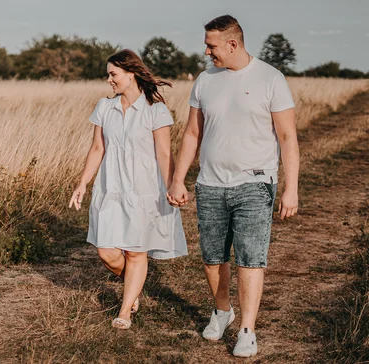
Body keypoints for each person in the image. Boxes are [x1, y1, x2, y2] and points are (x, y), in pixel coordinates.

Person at [167, 15, 299, 358]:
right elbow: (193, 133)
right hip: (210, 184)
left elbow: (287, 137)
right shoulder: (205, 80)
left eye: (211, 45)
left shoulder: (271, 78)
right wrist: (178, 178)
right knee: (212, 258)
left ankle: (246, 330)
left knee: (250, 260)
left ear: (232, 44)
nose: (207, 52)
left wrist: (291, 187)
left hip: (255, 183)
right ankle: (223, 311)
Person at [69, 49, 188, 329]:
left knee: (136, 252)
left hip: (144, 190)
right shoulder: (104, 107)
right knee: (106, 251)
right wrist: (82, 183)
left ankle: (125, 309)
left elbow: (163, 153)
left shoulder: (155, 110)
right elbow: (97, 148)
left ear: (131, 73)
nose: (109, 80)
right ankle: (132, 287)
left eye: (113, 74)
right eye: (108, 75)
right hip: (110, 188)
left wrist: (173, 184)